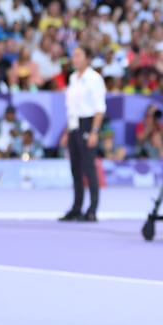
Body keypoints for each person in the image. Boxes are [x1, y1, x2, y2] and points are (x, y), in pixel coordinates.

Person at [61, 45, 105, 222]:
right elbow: (72, 108)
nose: (75, 59)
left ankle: (92, 209)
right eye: (73, 55)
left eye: (79, 55)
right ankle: (76, 207)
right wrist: (67, 131)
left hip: (87, 124)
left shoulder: (94, 79)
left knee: (89, 168)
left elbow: (99, 108)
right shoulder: (73, 78)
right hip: (74, 124)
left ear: (88, 58)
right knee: (75, 169)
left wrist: (94, 131)